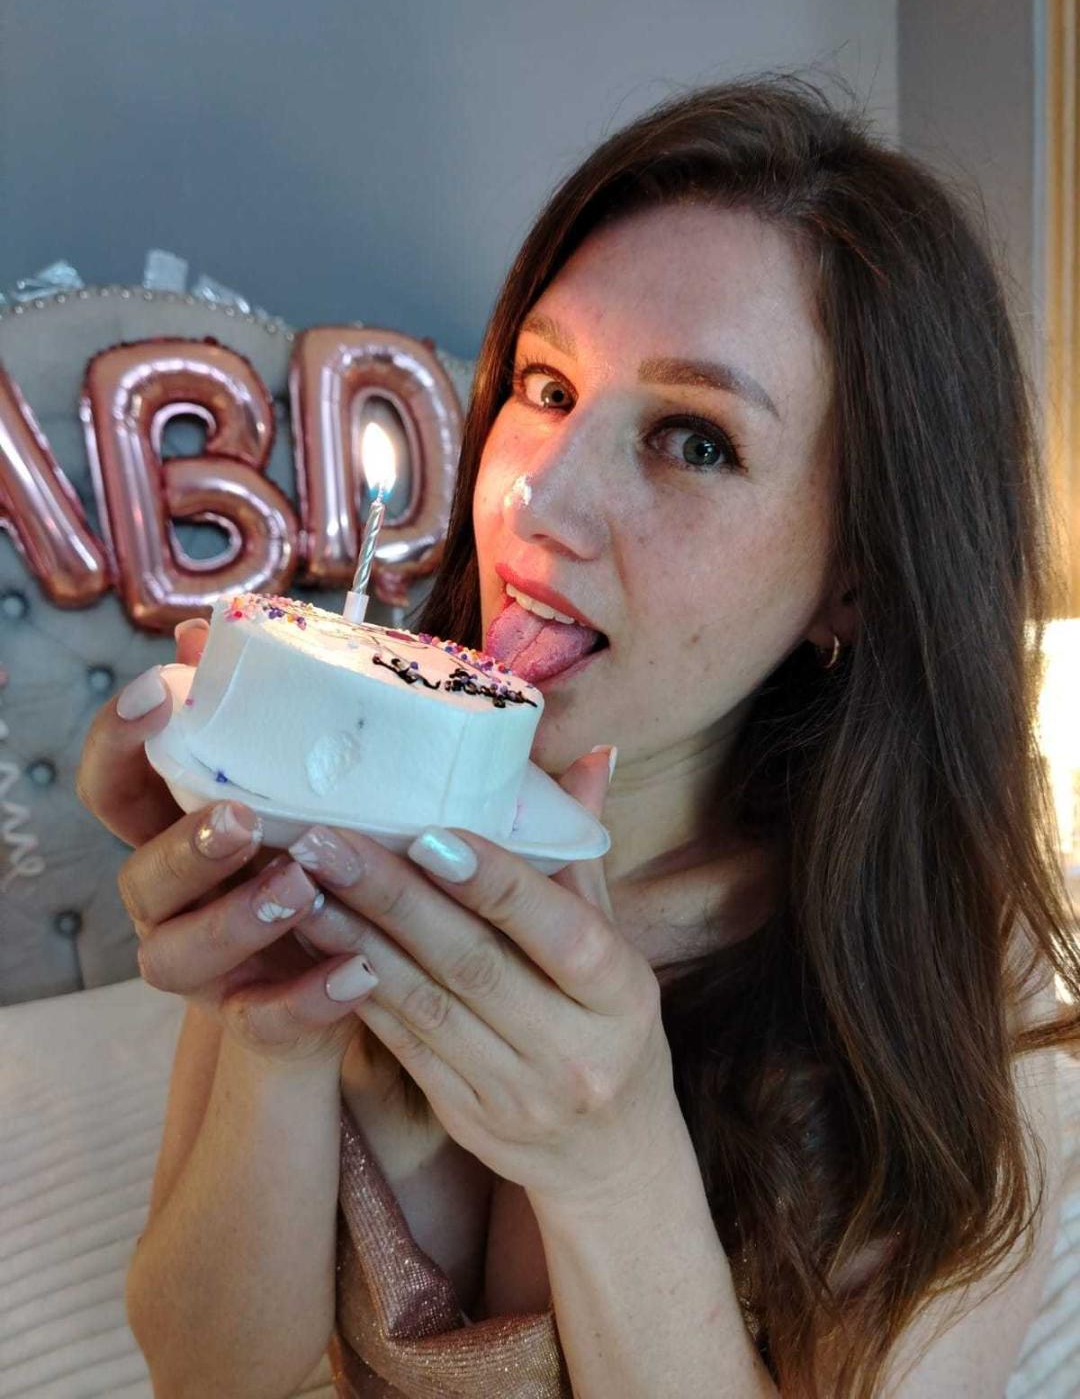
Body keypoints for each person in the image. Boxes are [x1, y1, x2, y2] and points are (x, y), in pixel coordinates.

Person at [77, 71, 1080, 1399]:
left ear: (856, 577)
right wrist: (277, 1032)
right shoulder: (341, 796)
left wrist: (610, 1162)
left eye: (694, 441)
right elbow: (209, 1372)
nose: (536, 499)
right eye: (545, 386)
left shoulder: (956, 975)